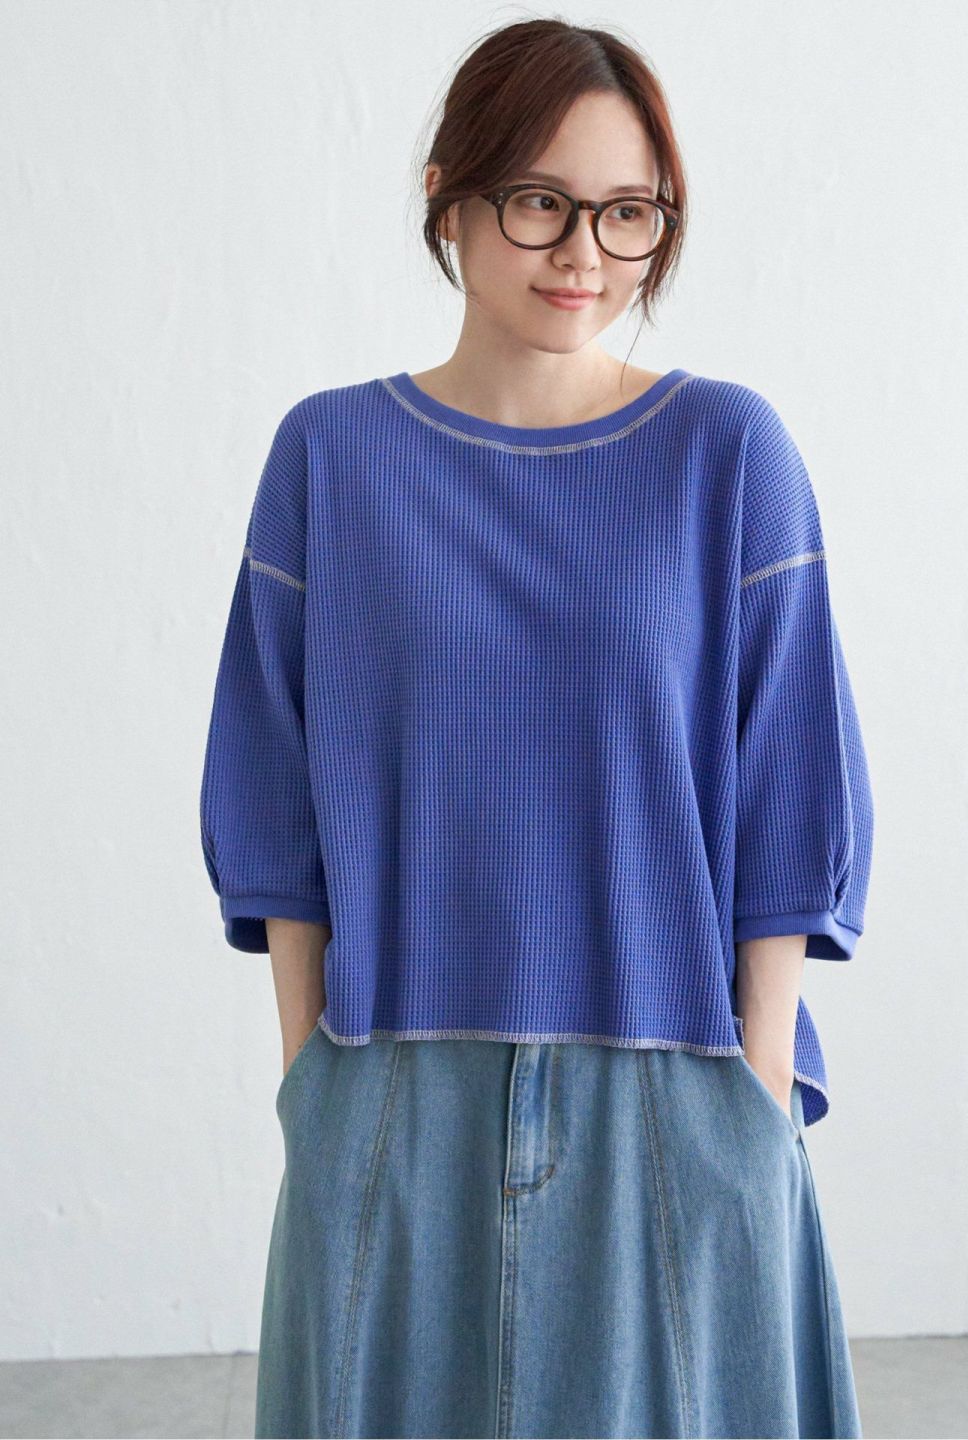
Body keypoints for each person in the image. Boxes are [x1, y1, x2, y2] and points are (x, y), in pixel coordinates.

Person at [199, 17, 874, 1439]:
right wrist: (313, 1076)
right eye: (540, 201)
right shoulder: (331, 457)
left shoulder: (727, 455)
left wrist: (754, 1087)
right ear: (449, 196)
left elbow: (793, 778)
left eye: (629, 212)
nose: (583, 252)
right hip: (392, 1085)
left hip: (677, 1083)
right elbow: (268, 781)